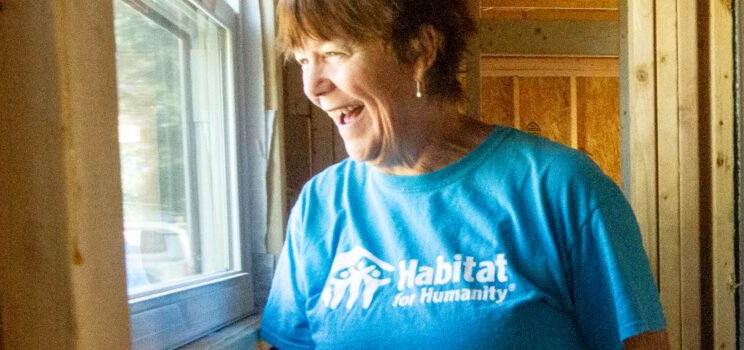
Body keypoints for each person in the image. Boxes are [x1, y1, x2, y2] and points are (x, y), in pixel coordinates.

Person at [260, 0, 670, 349]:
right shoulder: (321, 204)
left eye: (334, 53)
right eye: (301, 60)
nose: (312, 86)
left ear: (420, 50)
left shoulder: (560, 188)